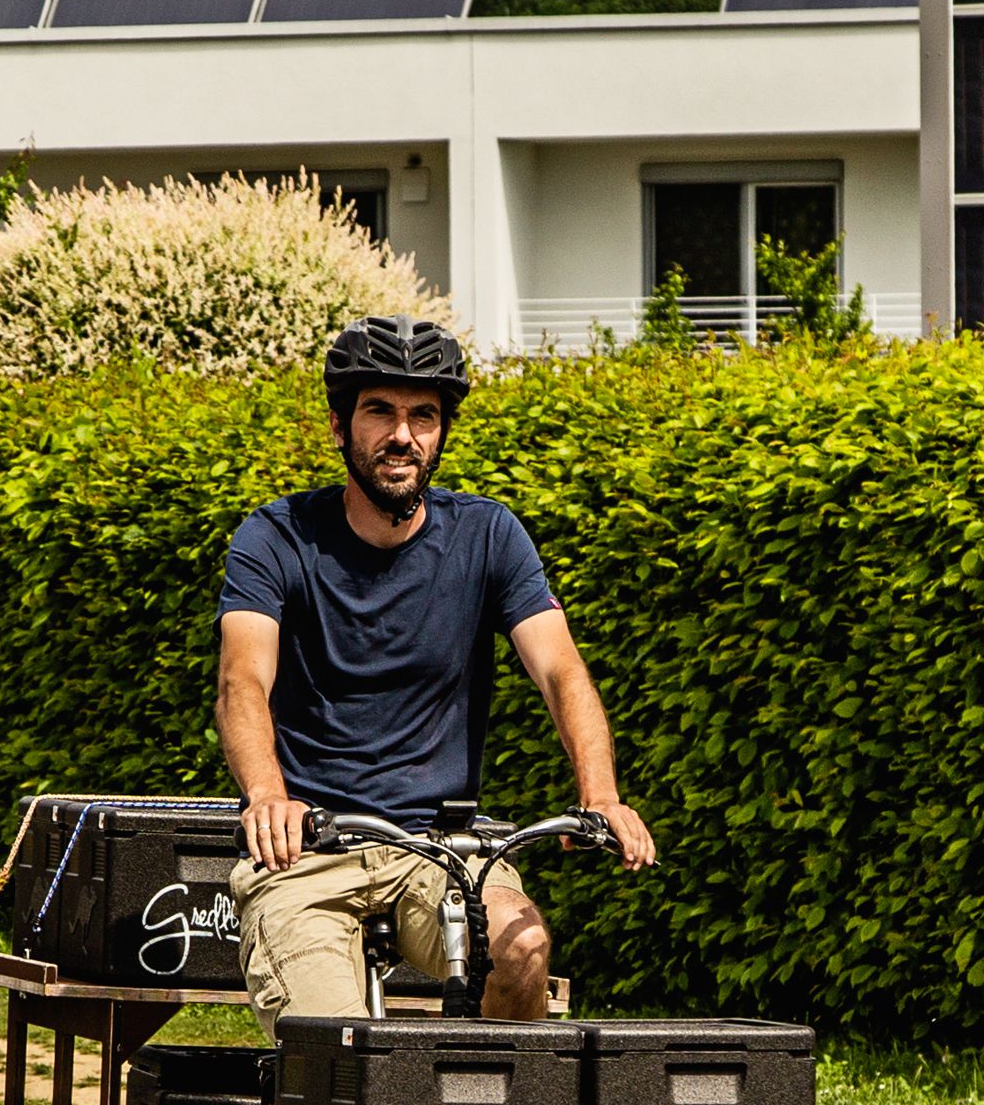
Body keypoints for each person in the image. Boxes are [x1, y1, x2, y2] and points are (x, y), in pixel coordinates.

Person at [214, 315, 654, 1022]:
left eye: (424, 415)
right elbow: (243, 681)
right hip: (308, 852)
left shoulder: (488, 535)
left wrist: (599, 794)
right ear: (339, 426)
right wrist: (268, 794)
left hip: (439, 851)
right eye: (380, 411)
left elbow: (561, 671)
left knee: (524, 945)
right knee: (339, 1050)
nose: (403, 434)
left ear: (442, 432)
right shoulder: (275, 537)